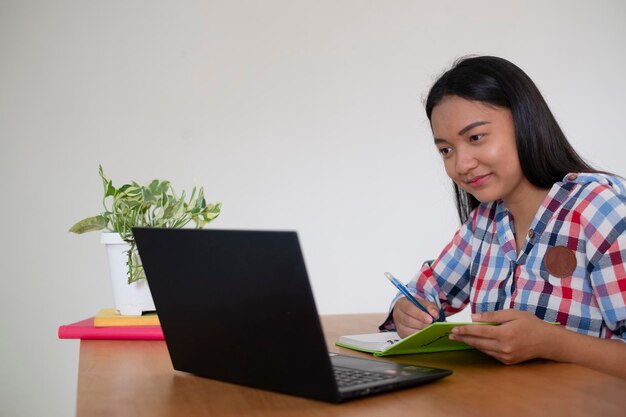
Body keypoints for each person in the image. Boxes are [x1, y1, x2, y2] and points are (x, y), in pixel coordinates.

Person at [381, 55, 626, 378]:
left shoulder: (598, 208)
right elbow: (424, 293)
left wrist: (551, 343)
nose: (461, 164)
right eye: (446, 149)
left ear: (525, 122)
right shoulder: (485, 222)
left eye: (475, 137)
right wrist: (406, 310)